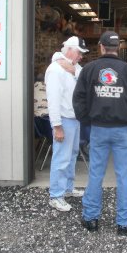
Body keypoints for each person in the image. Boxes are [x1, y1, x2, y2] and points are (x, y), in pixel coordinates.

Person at [73, 31, 127, 235]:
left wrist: (87, 121)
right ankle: (124, 223)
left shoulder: (89, 69)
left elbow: (78, 99)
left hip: (98, 129)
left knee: (95, 173)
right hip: (123, 130)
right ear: (118, 48)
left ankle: (91, 219)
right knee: (123, 175)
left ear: (100, 47)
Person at [45, 36, 89, 211]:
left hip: (74, 119)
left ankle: (67, 189)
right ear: (70, 50)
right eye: (80, 52)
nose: (81, 56)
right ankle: (56, 196)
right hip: (64, 120)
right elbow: (53, 101)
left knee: (71, 156)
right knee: (61, 158)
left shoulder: (72, 66)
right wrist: (57, 126)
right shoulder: (56, 69)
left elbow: (84, 78)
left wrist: (73, 69)